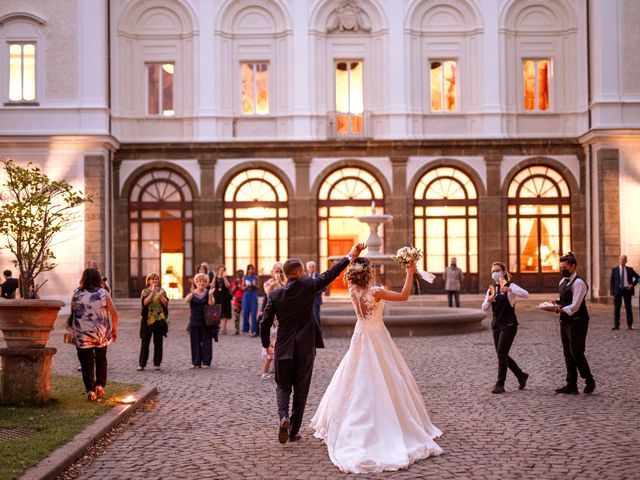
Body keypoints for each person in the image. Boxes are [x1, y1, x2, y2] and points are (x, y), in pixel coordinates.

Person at [309, 256, 442, 473]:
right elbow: (404, 296)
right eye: (371, 268)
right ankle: (387, 422)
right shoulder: (376, 291)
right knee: (386, 375)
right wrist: (409, 272)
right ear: (368, 272)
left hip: (361, 334)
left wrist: (353, 257)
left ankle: (347, 417)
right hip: (378, 335)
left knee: (355, 375)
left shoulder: (352, 289)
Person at [260, 243, 366, 445]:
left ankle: (283, 417)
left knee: (282, 386)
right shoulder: (309, 285)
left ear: (286, 274)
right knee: (301, 390)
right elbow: (330, 274)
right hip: (305, 348)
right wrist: (350, 256)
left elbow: (264, 322)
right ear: (299, 273)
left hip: (283, 347)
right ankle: (293, 432)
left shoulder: (274, 295)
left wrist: (266, 344)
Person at [70, 268, 119, 401]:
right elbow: (114, 313)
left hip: (82, 335)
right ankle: (100, 386)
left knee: (86, 363)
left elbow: (73, 312)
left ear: (83, 278)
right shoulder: (103, 293)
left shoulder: (77, 293)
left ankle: (90, 391)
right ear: (98, 278)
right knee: (101, 359)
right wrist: (114, 330)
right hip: (100, 335)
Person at [481, 262, 530, 394]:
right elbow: (484, 308)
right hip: (496, 324)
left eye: (497, 270)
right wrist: (489, 300)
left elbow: (526, 294)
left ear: (503, 272)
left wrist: (510, 290)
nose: (495, 273)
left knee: (502, 353)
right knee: (501, 354)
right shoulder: (491, 289)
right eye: (493, 271)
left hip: (509, 325)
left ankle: (500, 384)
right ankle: (521, 375)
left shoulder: (510, 285)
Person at [552, 253, 596, 395]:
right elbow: (564, 299)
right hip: (564, 321)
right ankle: (571, 384)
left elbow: (575, 306)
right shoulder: (562, 282)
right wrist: (556, 303)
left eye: (564, 267)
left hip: (578, 321)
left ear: (573, 266)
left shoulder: (579, 283)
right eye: (561, 267)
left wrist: (559, 309)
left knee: (576, 352)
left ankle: (589, 380)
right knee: (567, 353)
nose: (562, 270)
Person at [137, 273, 169, 371]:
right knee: (145, 342)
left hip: (159, 319)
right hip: (148, 320)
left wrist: (160, 295)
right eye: (153, 279)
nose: (155, 281)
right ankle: (142, 364)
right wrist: (153, 292)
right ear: (149, 281)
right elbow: (145, 302)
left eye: (156, 279)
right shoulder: (145, 291)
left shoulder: (162, 291)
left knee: (158, 342)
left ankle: (157, 363)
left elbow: (166, 303)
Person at [261, 263, 287, 379]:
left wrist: (281, 282)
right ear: (272, 272)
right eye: (276, 271)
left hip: (283, 315)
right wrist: (273, 284)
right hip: (272, 315)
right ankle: (265, 372)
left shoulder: (286, 283)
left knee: (282, 343)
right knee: (271, 343)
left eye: (280, 271)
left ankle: (280, 370)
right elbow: (268, 294)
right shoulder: (268, 283)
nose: (278, 274)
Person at [185, 272, 215, 368]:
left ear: (206, 283)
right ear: (196, 282)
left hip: (206, 321)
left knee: (207, 342)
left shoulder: (208, 292)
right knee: (195, 342)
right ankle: (196, 362)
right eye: (199, 281)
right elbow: (187, 300)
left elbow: (211, 304)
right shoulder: (192, 292)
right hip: (194, 321)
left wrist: (210, 295)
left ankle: (206, 362)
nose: (201, 283)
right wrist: (192, 294)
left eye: (204, 281)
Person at [609, 255, 639, 330]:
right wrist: (612, 293)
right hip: (617, 291)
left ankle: (630, 325)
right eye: (621, 259)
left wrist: (632, 284)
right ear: (619, 260)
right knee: (617, 308)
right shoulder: (614, 270)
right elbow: (611, 282)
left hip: (627, 290)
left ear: (626, 261)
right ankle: (616, 325)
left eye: (624, 259)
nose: (622, 260)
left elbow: (638, 278)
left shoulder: (630, 270)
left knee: (628, 308)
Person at [306, 261, 326, 330]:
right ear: (307, 268)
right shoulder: (305, 277)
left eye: (312, 267)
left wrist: (315, 292)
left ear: (315, 268)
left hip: (316, 299)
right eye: (309, 267)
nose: (311, 268)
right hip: (307, 300)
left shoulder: (319, 276)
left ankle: (318, 330)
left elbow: (324, 287)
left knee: (316, 315)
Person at [213, 265, 232, 334]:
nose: (221, 271)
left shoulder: (226, 277)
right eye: (220, 270)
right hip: (217, 296)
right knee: (216, 312)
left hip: (225, 297)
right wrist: (214, 277)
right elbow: (212, 286)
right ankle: (217, 326)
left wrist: (224, 277)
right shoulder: (215, 278)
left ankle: (224, 328)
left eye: (223, 270)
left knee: (225, 311)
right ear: (217, 271)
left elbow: (228, 285)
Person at [242, 264, 260, 336]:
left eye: (252, 269)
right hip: (246, 295)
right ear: (247, 270)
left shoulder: (256, 277)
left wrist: (255, 285)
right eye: (249, 269)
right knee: (245, 313)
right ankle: (245, 329)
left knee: (253, 313)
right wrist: (246, 286)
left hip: (253, 295)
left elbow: (258, 287)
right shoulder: (245, 277)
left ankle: (253, 330)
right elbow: (242, 288)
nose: (251, 270)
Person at [230, 269, 245, 335]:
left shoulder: (245, 281)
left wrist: (241, 286)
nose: (240, 275)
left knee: (245, 315)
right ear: (236, 275)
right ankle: (237, 330)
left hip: (245, 299)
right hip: (237, 301)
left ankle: (245, 329)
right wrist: (236, 285)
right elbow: (232, 291)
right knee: (236, 316)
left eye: (241, 274)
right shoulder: (235, 281)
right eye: (239, 274)